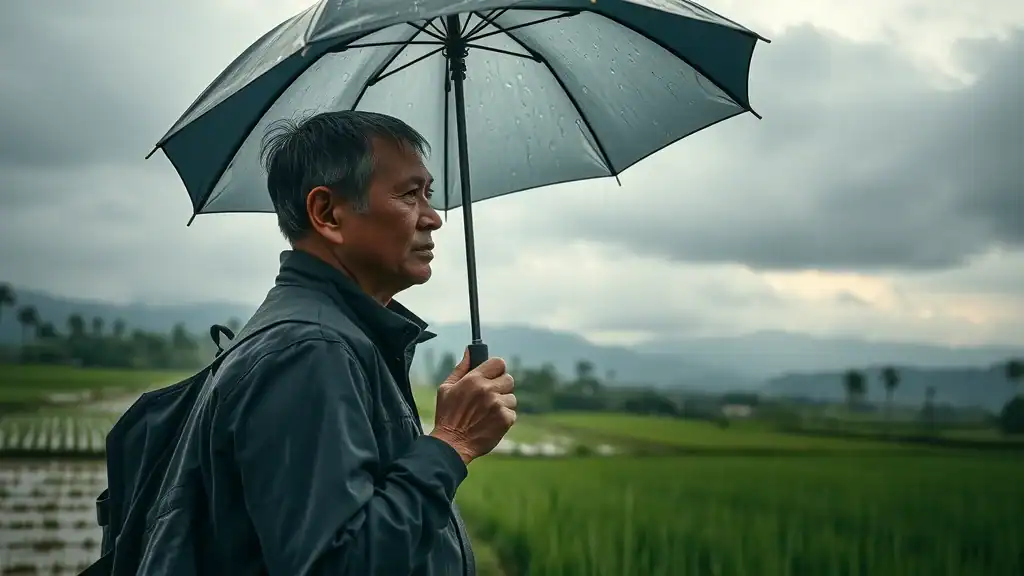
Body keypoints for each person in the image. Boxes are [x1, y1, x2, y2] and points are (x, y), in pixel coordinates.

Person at [191, 111, 516, 575]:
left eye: (429, 193)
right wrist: (451, 444)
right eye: (408, 195)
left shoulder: (335, 335)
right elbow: (336, 565)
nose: (434, 218)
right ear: (327, 214)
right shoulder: (308, 351)